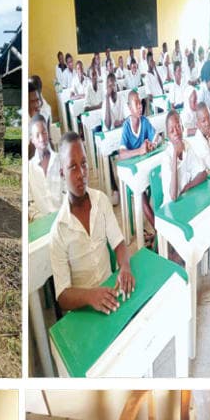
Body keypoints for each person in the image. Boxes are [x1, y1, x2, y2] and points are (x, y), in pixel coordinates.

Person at [50, 132, 135, 314]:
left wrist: (125, 267)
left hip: (111, 292)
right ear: (62, 173)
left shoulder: (101, 201)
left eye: (84, 164)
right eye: (72, 167)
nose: (81, 174)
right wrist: (90, 297)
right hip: (84, 308)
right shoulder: (58, 230)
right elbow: (63, 295)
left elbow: (119, 243)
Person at [119, 90, 159, 237]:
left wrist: (152, 145)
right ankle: (159, 231)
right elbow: (121, 154)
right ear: (129, 108)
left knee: (158, 183)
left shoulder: (145, 122)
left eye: (140, 102)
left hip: (145, 166)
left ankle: (162, 226)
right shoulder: (126, 127)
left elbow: (157, 138)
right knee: (140, 194)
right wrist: (139, 151)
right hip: (133, 171)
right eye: (136, 103)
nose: (140, 106)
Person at [161, 109, 207, 205]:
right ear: (168, 136)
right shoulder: (166, 157)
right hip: (171, 206)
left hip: (187, 199)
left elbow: (203, 174)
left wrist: (188, 186)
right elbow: (173, 197)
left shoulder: (187, 146)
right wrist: (175, 155)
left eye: (178, 127)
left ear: (182, 128)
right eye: (171, 130)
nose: (176, 132)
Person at [29, 114, 65, 220]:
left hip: (62, 216)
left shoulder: (61, 160)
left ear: (48, 133)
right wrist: (39, 219)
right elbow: (30, 204)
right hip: (41, 221)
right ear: (32, 139)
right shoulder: (29, 169)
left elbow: (68, 192)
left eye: (44, 132)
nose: (42, 138)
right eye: (37, 135)